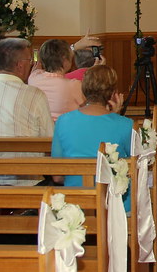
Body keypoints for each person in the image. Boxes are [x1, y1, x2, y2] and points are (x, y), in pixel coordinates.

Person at [0, 38, 53, 186]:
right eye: (30, 60)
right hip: (27, 180)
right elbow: (49, 139)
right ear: (20, 65)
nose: (32, 63)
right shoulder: (35, 95)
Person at [52, 65, 132, 208]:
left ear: (84, 90)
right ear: (113, 93)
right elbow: (133, 167)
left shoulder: (63, 121)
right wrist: (117, 116)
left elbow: (57, 176)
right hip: (114, 206)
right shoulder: (126, 125)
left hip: (74, 206)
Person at [28, 38, 84, 121]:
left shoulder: (33, 78)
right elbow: (89, 108)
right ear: (65, 59)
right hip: (65, 130)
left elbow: (37, 68)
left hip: (40, 130)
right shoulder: (74, 85)